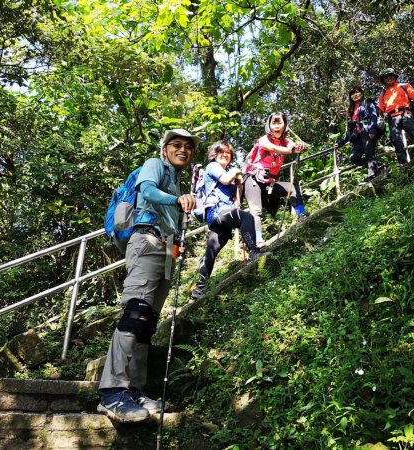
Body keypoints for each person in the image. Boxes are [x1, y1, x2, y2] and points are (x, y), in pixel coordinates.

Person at [97, 129, 198, 423]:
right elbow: (148, 191)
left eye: (188, 147)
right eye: (176, 145)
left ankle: (135, 390)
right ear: (165, 149)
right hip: (147, 242)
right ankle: (113, 393)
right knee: (135, 314)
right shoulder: (155, 164)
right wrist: (177, 201)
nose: (183, 150)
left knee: (147, 322)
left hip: (165, 250)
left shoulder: (178, 182)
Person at [191, 140, 269, 300]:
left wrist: (239, 184)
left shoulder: (225, 171)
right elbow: (226, 179)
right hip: (218, 211)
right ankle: (254, 252)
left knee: (211, 251)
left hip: (219, 217)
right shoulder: (213, 166)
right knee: (246, 217)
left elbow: (235, 197)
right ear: (215, 154)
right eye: (222, 152)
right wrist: (237, 171)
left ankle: (199, 288)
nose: (225, 155)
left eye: (228, 153)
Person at [244, 112, 307, 247]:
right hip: (253, 179)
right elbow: (273, 148)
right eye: (274, 123)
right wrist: (292, 151)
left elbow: (292, 147)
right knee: (256, 210)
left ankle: (302, 216)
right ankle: (258, 241)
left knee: (292, 187)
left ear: (285, 125)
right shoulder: (263, 140)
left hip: (269, 182)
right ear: (269, 125)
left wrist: (299, 147)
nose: (277, 126)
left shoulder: (286, 141)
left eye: (280, 123)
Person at [378, 68, 414, 164]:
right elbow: (380, 110)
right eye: (386, 77)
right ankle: (402, 162)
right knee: (396, 139)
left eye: (391, 75)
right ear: (383, 80)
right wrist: (379, 119)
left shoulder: (404, 86)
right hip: (392, 117)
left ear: (395, 76)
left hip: (406, 113)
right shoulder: (383, 94)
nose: (389, 78)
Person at [334, 86, 384, 183]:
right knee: (354, 158)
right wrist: (341, 142)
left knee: (369, 153)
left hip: (367, 131)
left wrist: (373, 130)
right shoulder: (351, 109)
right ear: (350, 96)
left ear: (362, 93)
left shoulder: (367, 102)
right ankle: (380, 166)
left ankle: (372, 175)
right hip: (358, 136)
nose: (355, 95)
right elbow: (350, 129)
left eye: (357, 92)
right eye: (353, 93)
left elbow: (374, 115)